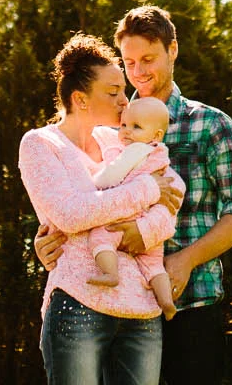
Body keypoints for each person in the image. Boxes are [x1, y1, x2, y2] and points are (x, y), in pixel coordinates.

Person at [37, 6, 232, 385]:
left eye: (148, 59)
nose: (138, 72)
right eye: (129, 62)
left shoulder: (211, 124)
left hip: (190, 303)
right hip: (120, 308)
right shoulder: (108, 131)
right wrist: (47, 243)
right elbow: (83, 201)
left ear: (173, 50)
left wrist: (185, 261)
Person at [18, 33, 186, 385]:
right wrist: (147, 189)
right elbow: (71, 214)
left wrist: (143, 231)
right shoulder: (41, 144)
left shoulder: (121, 140)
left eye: (123, 90)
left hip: (142, 308)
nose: (126, 101)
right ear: (80, 99)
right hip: (79, 303)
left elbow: (171, 198)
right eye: (113, 93)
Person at [85, 97, 179, 320]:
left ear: (156, 135)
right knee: (154, 265)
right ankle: (166, 301)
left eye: (136, 127)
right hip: (150, 223)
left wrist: (92, 182)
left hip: (130, 213)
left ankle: (110, 273)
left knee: (100, 237)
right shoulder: (160, 153)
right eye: (124, 125)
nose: (126, 131)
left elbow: (111, 176)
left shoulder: (136, 150)